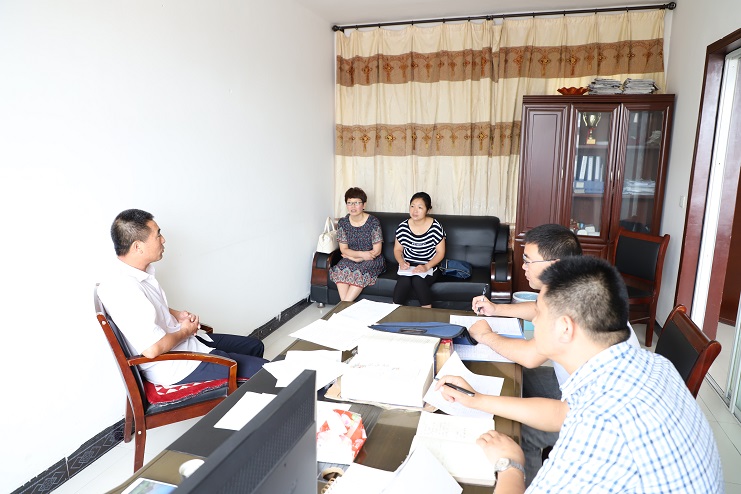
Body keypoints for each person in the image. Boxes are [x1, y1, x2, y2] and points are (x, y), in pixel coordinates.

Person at [441, 256, 723, 493]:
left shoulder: (600, 427)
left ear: (565, 328)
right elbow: (561, 413)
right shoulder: (651, 365)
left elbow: (585, 422)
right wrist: (477, 399)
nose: (534, 320)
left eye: (539, 313)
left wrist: (510, 465)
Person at [469, 224, 639, 484]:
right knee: (513, 380)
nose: (523, 266)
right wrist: (497, 310)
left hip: (595, 409)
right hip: (576, 387)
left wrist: (486, 336)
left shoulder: (569, 304)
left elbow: (530, 356)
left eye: (528, 260)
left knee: (518, 432)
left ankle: (525, 480)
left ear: (555, 264)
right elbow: (538, 309)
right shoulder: (576, 287)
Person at [97, 209, 267, 386]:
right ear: (138, 246)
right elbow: (152, 349)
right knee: (270, 372)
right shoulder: (123, 288)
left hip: (184, 345)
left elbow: (145, 310)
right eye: (158, 235)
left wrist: (176, 315)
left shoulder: (133, 274)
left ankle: (250, 391)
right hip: (178, 365)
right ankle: (253, 390)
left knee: (255, 346)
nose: (163, 240)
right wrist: (185, 330)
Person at [329, 187, 385, 302]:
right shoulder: (343, 223)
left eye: (357, 203)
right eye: (349, 203)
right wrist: (360, 256)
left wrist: (359, 258)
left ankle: (343, 307)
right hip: (352, 257)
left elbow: (377, 250)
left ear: (364, 205)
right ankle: (345, 306)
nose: (353, 206)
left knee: (359, 271)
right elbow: (344, 249)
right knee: (340, 269)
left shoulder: (373, 222)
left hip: (372, 259)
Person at [392, 192, 446, 308]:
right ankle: (393, 311)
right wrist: (401, 262)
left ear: (428, 210)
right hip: (408, 265)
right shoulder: (403, 227)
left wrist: (426, 266)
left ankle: (427, 313)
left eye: (420, 207)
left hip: (429, 265)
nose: (415, 211)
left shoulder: (435, 226)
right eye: (412, 206)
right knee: (404, 281)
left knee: (418, 280)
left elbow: (440, 252)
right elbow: (397, 250)